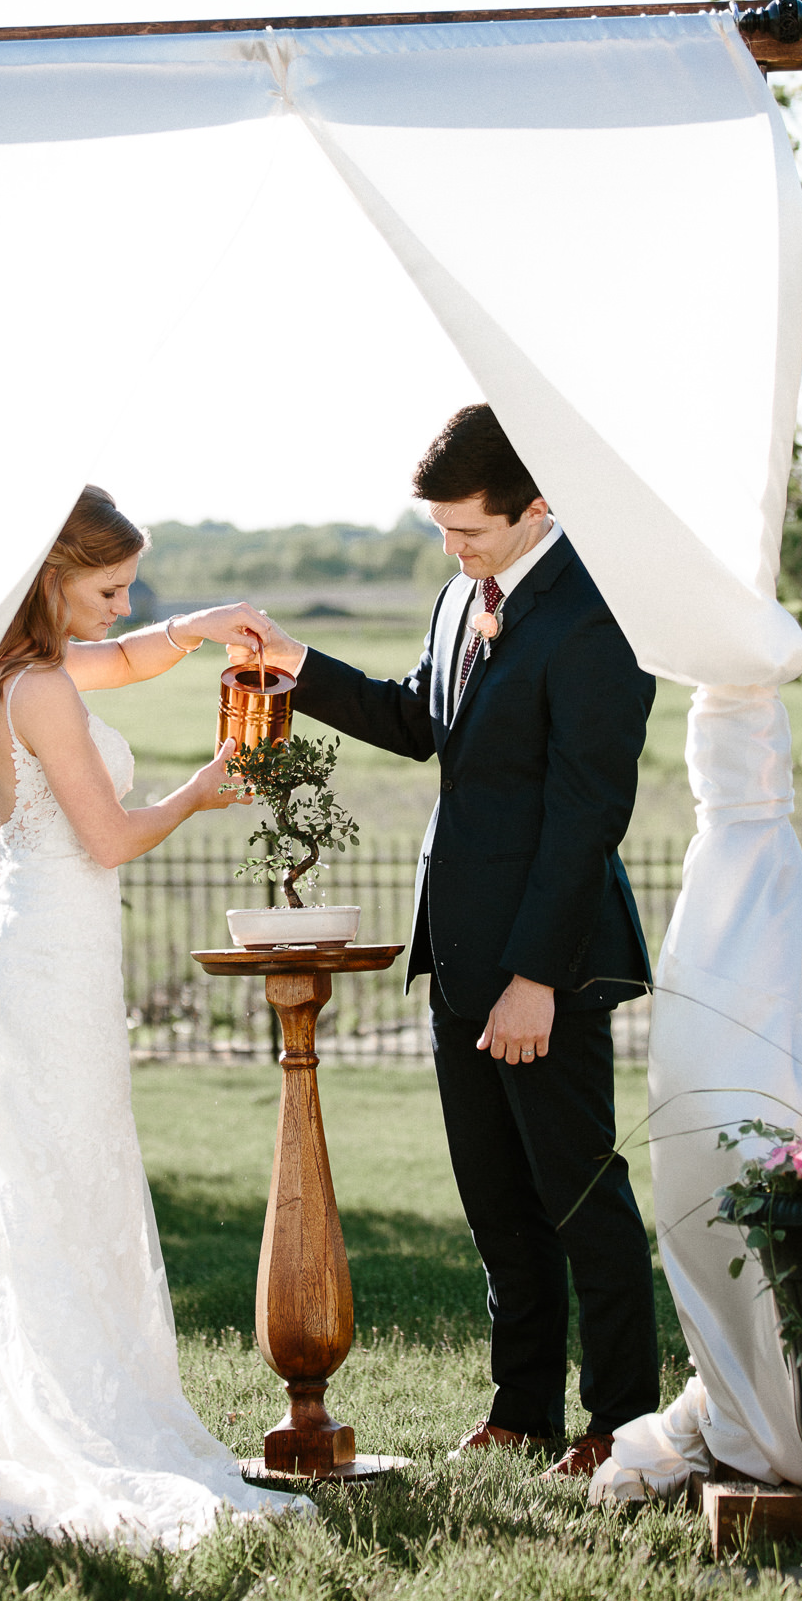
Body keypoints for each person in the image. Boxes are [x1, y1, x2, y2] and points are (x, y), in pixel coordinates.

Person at [242, 406, 659, 1479]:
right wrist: (299, 662)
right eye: (439, 529)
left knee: (577, 1198)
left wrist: (534, 978)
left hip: (542, 965)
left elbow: (584, 817)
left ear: (538, 504)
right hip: (457, 954)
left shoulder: (599, 617)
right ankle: (521, 1406)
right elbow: (418, 716)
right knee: (494, 1202)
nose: (450, 549)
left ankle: (622, 1422)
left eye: (467, 530)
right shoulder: (454, 599)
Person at [0, 485, 298, 1550]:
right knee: (54, 1168)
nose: (122, 603)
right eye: (107, 587)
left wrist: (200, 624)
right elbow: (108, 837)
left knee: (68, 1164)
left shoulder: (23, 673)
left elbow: (128, 659)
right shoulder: (39, 686)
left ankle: (71, 1377)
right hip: (47, 949)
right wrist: (204, 786)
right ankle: (69, 1408)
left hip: (47, 947)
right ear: (52, 580)